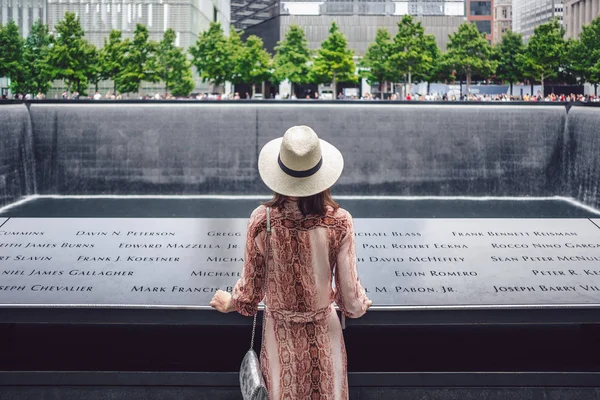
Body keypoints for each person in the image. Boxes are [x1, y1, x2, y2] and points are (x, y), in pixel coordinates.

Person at [210, 126, 371, 400]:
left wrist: (232, 301)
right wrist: (359, 303)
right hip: (324, 334)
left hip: (279, 335)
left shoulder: (263, 220)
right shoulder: (340, 221)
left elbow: (250, 293)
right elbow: (352, 304)